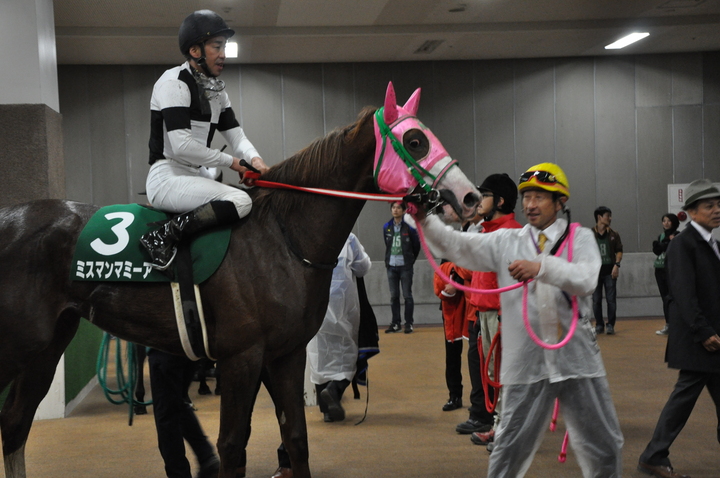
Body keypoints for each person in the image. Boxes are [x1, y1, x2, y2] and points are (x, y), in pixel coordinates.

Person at [414, 162, 623, 477]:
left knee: (605, 444)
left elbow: (586, 279)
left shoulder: (579, 237)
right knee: (508, 447)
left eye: (539, 197)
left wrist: (541, 267)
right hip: (526, 365)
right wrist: (423, 218)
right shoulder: (507, 241)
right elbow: (455, 245)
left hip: (577, 361)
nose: (530, 204)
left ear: (560, 202)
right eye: (526, 197)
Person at [141, 9, 269, 270]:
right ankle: (162, 236)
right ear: (195, 50)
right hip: (167, 178)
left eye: (224, 47)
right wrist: (233, 162)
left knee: (247, 198)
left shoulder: (217, 93)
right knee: (241, 201)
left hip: (194, 175)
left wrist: (255, 160)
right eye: (217, 46)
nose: (223, 54)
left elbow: (237, 136)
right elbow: (182, 146)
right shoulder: (173, 83)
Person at [637, 179, 720, 478]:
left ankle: (654, 456)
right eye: (709, 206)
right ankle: (653, 456)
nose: (716, 210)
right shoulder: (683, 245)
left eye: (718, 204)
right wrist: (703, 331)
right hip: (700, 340)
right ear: (691, 212)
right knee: (683, 399)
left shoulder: (711, 243)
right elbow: (684, 293)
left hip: (710, 338)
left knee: (685, 398)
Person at [464, 173, 522, 448]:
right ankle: (499, 425)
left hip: (501, 316)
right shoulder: (488, 231)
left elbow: (514, 283)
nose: (479, 200)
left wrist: (502, 314)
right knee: (493, 375)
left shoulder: (511, 233)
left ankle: (508, 430)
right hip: (485, 313)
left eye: (484, 195)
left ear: (499, 201)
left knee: (505, 373)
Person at [307, 233, 372, 422]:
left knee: (319, 356)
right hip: (343, 306)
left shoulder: (310, 234)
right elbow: (363, 267)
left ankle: (327, 412)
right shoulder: (348, 238)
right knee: (346, 355)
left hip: (315, 304)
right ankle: (334, 389)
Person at [148, 348, 221, 478]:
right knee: (178, 403)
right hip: (190, 350)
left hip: (164, 347)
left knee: (166, 415)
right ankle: (206, 457)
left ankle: (180, 473)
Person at [433, 260, 467, 412]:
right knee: (452, 354)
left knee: (478, 356)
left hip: (473, 303)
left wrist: (457, 284)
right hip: (452, 307)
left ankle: (481, 400)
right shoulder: (447, 259)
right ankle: (455, 395)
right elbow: (442, 272)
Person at [383, 201, 420, 334]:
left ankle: (408, 323)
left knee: (407, 295)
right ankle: (395, 323)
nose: (395, 210)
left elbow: (416, 245)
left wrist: (410, 260)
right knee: (394, 296)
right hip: (391, 266)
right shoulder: (387, 226)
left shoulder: (410, 227)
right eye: (393, 207)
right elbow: (387, 244)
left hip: (405, 266)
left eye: (398, 208)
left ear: (404, 210)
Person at [592, 206, 623, 335]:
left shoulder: (614, 234)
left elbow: (619, 251)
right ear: (599, 217)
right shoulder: (590, 234)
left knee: (611, 300)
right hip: (595, 273)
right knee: (596, 300)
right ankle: (599, 324)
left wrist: (617, 265)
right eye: (607, 216)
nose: (610, 218)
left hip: (610, 271)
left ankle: (610, 324)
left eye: (610, 216)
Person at [652, 213, 680, 336]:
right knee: (665, 298)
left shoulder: (678, 235)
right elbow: (657, 250)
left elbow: (672, 248)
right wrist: (665, 243)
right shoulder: (661, 236)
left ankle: (677, 324)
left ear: (674, 222)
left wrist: (664, 244)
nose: (666, 223)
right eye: (664, 221)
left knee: (672, 297)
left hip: (671, 269)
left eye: (669, 221)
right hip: (659, 268)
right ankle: (668, 324)